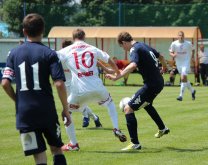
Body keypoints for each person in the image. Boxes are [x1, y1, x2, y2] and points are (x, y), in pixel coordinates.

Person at [1, 13, 70, 165]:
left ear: (24, 31)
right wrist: (66, 109)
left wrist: (17, 100)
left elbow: (5, 83)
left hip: (25, 114)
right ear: (43, 31)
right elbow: (59, 84)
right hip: (46, 111)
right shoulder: (50, 54)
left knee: (39, 157)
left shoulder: (13, 54)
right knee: (57, 149)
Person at [57, 29, 127, 150]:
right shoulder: (93, 48)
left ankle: (73, 144)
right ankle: (115, 128)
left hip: (79, 91)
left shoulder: (65, 51)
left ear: (73, 38)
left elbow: (51, 58)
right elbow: (108, 59)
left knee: (66, 113)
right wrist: (116, 72)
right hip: (97, 87)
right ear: (84, 37)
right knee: (110, 103)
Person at [106, 31, 170, 151]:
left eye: (122, 46)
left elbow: (133, 65)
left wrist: (117, 77)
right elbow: (160, 55)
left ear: (124, 42)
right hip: (158, 82)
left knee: (128, 108)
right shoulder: (143, 45)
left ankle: (135, 143)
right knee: (147, 104)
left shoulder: (134, 49)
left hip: (151, 85)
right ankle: (163, 128)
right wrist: (165, 67)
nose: (124, 49)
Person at [61, 39, 102, 128]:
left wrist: (105, 69)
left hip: (76, 84)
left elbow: (94, 60)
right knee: (75, 105)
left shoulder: (74, 55)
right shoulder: (61, 57)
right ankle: (95, 118)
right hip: (66, 86)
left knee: (75, 104)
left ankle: (85, 116)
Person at [169, 31, 196, 101]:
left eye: (182, 35)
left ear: (184, 36)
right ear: (177, 36)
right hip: (179, 63)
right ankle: (192, 91)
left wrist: (192, 57)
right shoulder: (174, 43)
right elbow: (171, 52)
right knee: (184, 79)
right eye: (179, 35)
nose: (181, 37)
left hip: (186, 62)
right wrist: (173, 55)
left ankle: (181, 96)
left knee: (183, 77)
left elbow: (193, 49)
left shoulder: (188, 43)